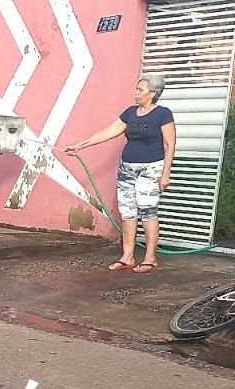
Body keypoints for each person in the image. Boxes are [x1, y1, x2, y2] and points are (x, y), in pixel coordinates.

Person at [64, 74, 176, 274]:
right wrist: (80, 146)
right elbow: (109, 131)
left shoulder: (163, 114)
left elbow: (170, 144)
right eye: (136, 89)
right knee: (128, 212)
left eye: (140, 90)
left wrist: (166, 173)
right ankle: (127, 256)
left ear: (153, 93)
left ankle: (150, 258)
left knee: (148, 211)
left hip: (151, 169)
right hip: (127, 169)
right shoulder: (130, 113)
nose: (136, 93)